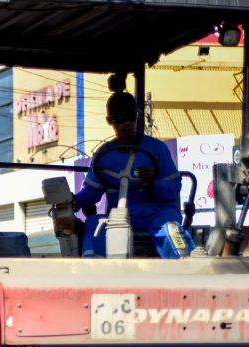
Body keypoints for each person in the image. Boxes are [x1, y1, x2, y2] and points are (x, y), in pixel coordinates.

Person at [74, 88, 192, 258]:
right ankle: (94, 270)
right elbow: (90, 194)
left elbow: (173, 188)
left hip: (158, 214)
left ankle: (185, 266)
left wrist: (153, 183)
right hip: (120, 218)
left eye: (131, 116)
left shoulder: (157, 149)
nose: (126, 123)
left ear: (137, 116)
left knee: (170, 230)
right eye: (120, 119)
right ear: (110, 121)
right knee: (93, 224)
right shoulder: (103, 156)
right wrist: (72, 201)